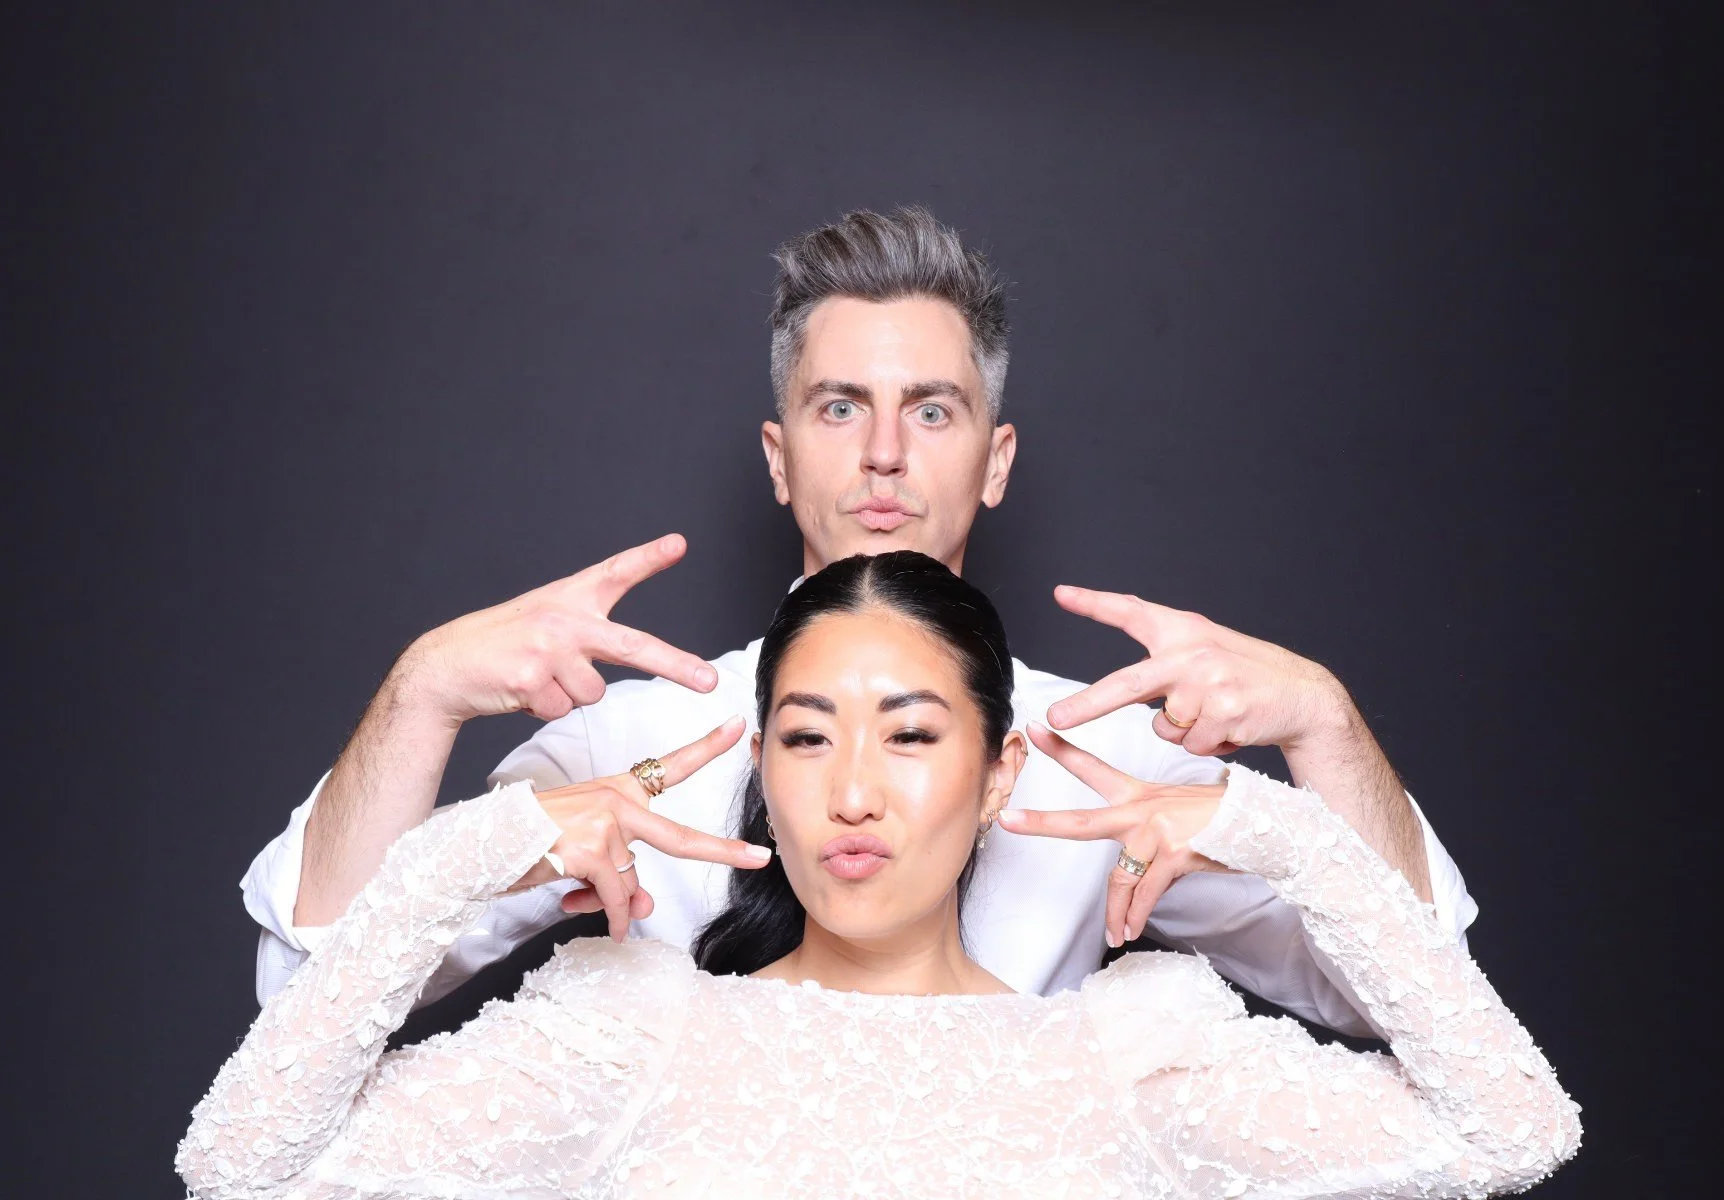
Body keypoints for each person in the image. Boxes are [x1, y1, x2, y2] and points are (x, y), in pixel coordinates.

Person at [240, 206, 1477, 1034]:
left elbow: (1414, 1005)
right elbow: (307, 1002)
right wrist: (421, 697)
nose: (884, 456)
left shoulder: (1086, 757)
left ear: (995, 463)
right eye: (840, 408)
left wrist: (1323, 724)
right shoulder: (638, 744)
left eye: (931, 412)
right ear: (779, 459)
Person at [178, 552, 1579, 1197]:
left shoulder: (1133, 1051)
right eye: (806, 737)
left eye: (911, 736)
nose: (853, 789)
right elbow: (244, 1165)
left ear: (998, 779)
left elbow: (1513, 1130)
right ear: (763, 778)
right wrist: (485, 841)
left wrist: (1271, 817)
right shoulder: (636, 1029)